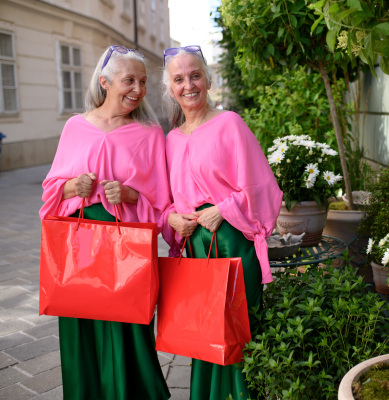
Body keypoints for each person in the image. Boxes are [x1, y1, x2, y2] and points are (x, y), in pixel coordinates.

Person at [39, 45, 172, 400]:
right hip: (78, 246)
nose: (138, 89)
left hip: (126, 248)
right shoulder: (75, 127)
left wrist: (130, 195)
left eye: (143, 82)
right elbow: (51, 191)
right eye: (129, 80)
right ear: (105, 82)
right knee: (79, 318)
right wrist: (71, 186)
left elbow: (161, 203)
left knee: (128, 324)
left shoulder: (148, 134)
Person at [162, 45, 282, 400]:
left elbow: (262, 186)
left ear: (209, 79)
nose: (189, 85)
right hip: (196, 245)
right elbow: (167, 197)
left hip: (231, 239)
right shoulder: (170, 139)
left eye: (195, 75)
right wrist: (172, 217)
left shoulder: (230, 123)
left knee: (236, 324)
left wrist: (224, 208)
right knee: (203, 327)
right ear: (170, 87)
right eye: (179, 79)